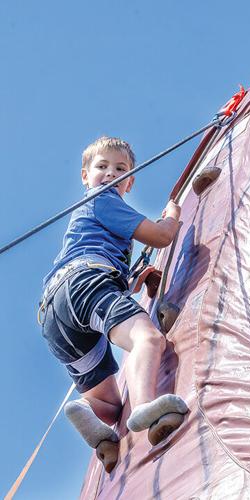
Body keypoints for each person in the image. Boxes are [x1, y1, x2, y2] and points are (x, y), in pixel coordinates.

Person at [40, 136, 188, 472]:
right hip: (86, 283)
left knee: (109, 401)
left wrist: (134, 279)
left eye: (120, 169)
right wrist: (174, 216)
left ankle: (87, 409)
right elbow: (162, 235)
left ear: (130, 180)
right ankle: (145, 405)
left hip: (54, 311)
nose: (110, 174)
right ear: (84, 176)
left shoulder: (87, 220)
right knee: (147, 340)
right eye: (102, 167)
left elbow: (108, 273)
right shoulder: (103, 199)